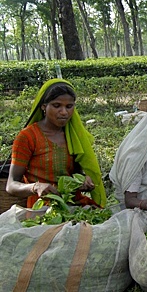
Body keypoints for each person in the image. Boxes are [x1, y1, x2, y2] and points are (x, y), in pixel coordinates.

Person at [7, 79, 107, 208]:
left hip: (74, 203)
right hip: (44, 208)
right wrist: (35, 187)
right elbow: (11, 185)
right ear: (44, 106)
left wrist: (83, 180)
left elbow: (74, 174)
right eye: (56, 105)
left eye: (69, 106)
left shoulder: (73, 136)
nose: (64, 112)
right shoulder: (28, 137)